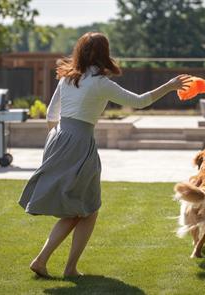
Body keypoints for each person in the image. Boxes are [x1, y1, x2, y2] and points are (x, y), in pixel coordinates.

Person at [18, 32, 191, 278]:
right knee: (87, 209)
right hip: (80, 143)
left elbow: (50, 115)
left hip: (57, 140)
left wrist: (55, 144)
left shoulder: (67, 79)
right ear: (104, 53)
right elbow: (139, 102)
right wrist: (170, 86)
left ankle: (44, 261)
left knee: (78, 209)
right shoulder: (100, 83)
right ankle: (66, 268)